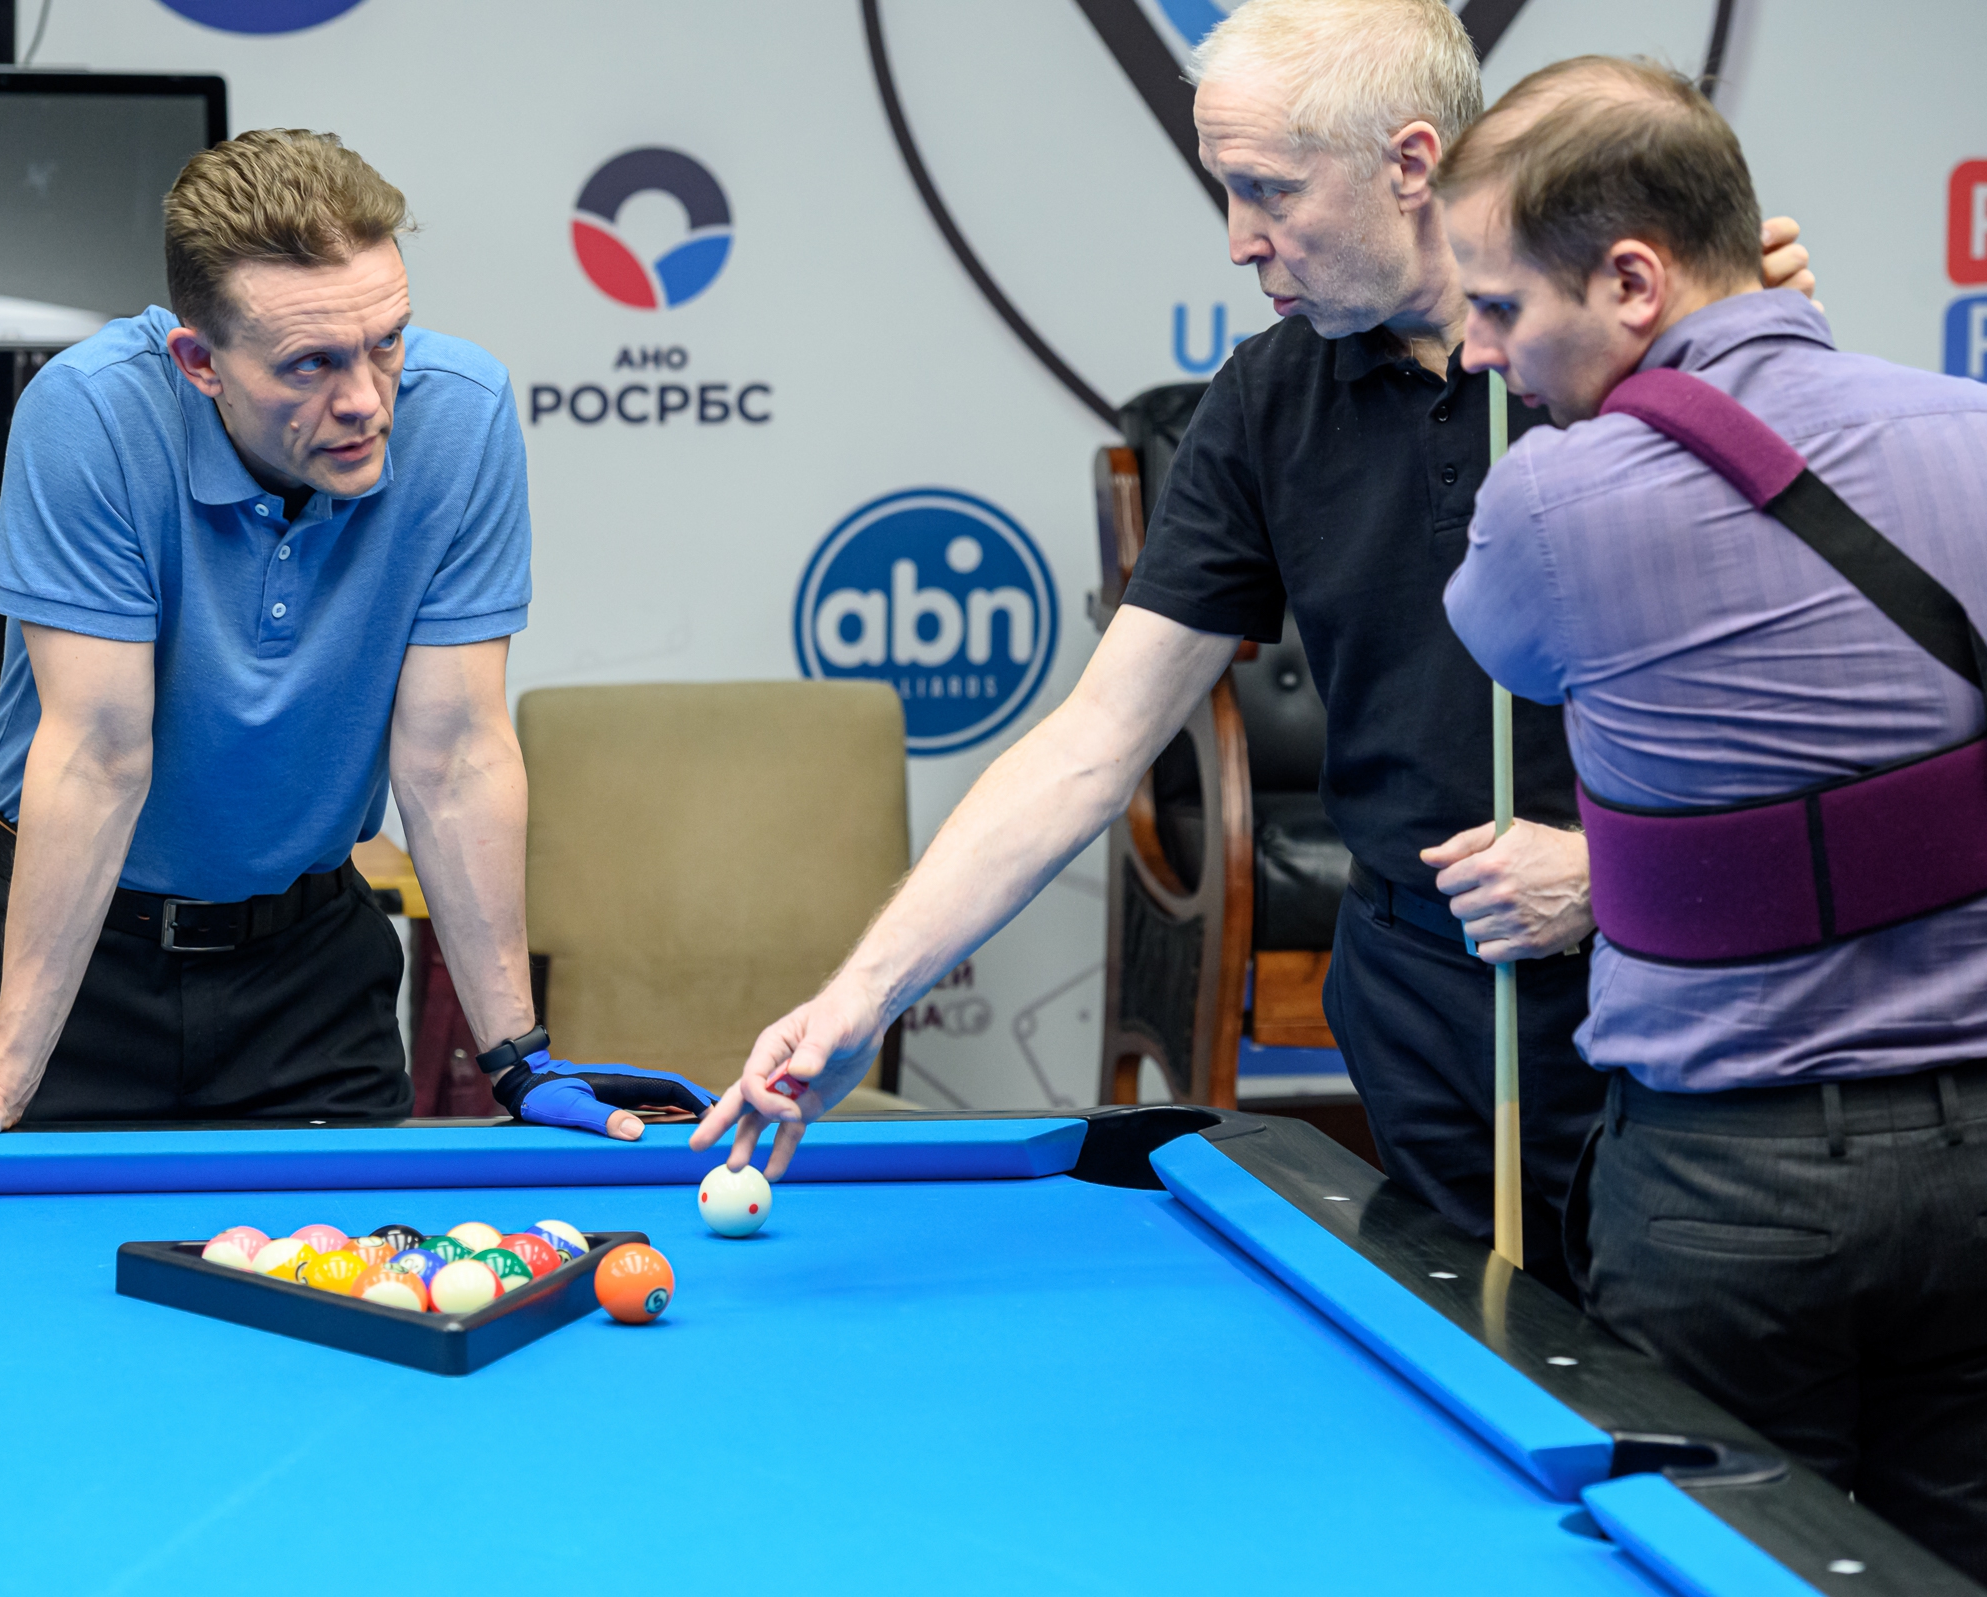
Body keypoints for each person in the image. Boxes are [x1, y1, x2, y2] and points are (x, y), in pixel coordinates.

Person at [693, 0, 1813, 1296]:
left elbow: (1831, 716)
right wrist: (863, 997)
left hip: (1676, 989)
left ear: (1411, 163)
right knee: (1499, 1370)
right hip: (1422, 1006)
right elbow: (1093, 743)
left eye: (1270, 189)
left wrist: (1611, 873)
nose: (1238, 238)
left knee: (1677, 1392)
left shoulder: (1637, 345)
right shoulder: (1267, 401)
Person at [0, 130, 712, 1156]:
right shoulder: (91, 415)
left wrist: (517, 1059)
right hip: (72, 952)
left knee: (346, 1255)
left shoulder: (462, 417)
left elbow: (453, 757)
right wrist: (5, 1078)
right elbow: (98, 757)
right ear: (200, 363)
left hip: (307, 959)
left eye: (387, 341)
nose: (365, 400)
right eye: (311, 364)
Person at [1436, 57, 1987, 1580]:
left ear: (1633, 280)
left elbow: (1510, 648)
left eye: (1500, 307)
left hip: (1731, 1192)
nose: (1479, 352)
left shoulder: (1552, 503)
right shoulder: (1972, 430)